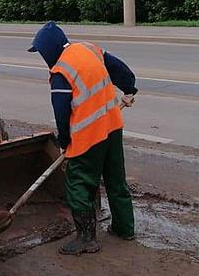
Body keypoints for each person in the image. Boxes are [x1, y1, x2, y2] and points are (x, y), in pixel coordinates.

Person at [28, 21, 137, 255]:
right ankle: (124, 229)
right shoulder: (89, 49)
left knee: (78, 185)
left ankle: (86, 239)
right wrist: (130, 88)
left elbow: (62, 114)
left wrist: (65, 144)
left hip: (89, 137)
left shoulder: (61, 72)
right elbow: (119, 69)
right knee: (116, 180)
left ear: (49, 49)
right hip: (113, 127)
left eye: (42, 52)